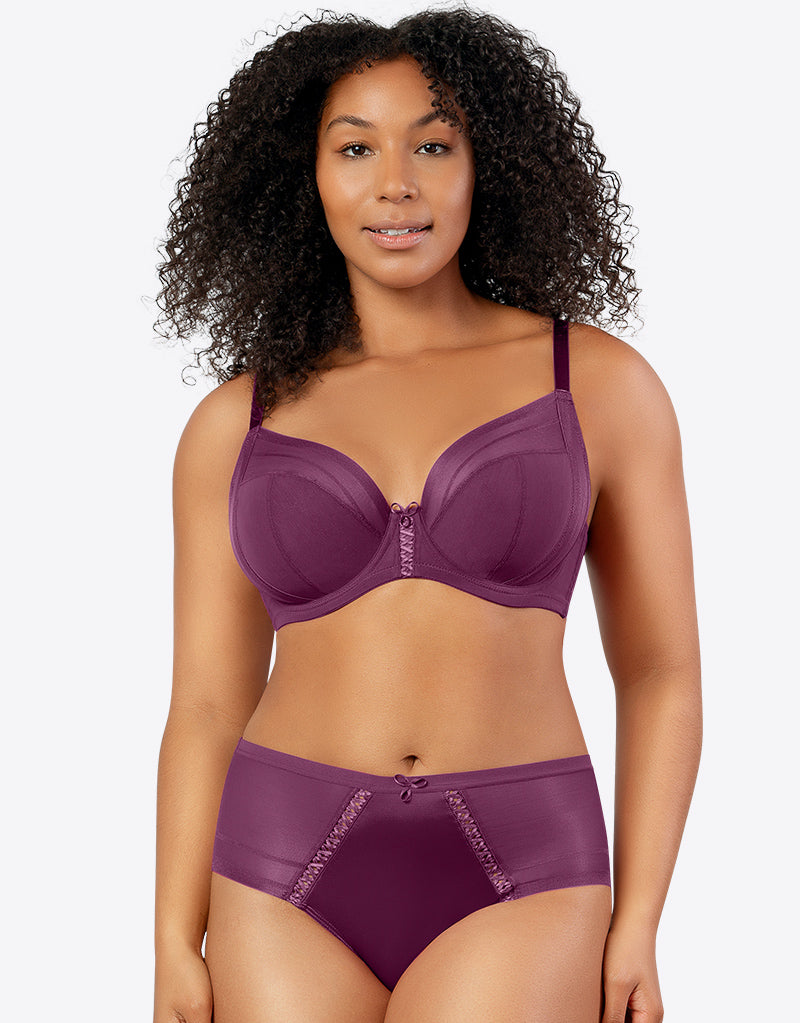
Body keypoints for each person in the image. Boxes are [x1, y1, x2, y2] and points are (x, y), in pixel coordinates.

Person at [152, 8, 702, 1023]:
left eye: (434, 145)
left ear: (488, 166)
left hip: (525, 867)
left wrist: (639, 924)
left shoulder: (595, 384)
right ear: (304, 176)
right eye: (355, 147)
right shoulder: (236, 422)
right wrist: (171, 940)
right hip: (279, 867)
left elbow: (661, 670)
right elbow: (205, 706)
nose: (395, 183)